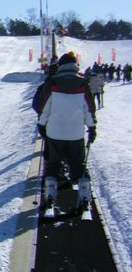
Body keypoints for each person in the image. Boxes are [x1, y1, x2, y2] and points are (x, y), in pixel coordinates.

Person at [37, 52, 97, 212]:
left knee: (54, 163)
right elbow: (89, 110)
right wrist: (92, 128)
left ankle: (49, 192)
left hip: (55, 132)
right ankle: (84, 192)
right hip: (76, 133)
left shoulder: (52, 83)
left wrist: (42, 125)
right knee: (77, 163)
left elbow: (44, 108)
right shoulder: (83, 84)